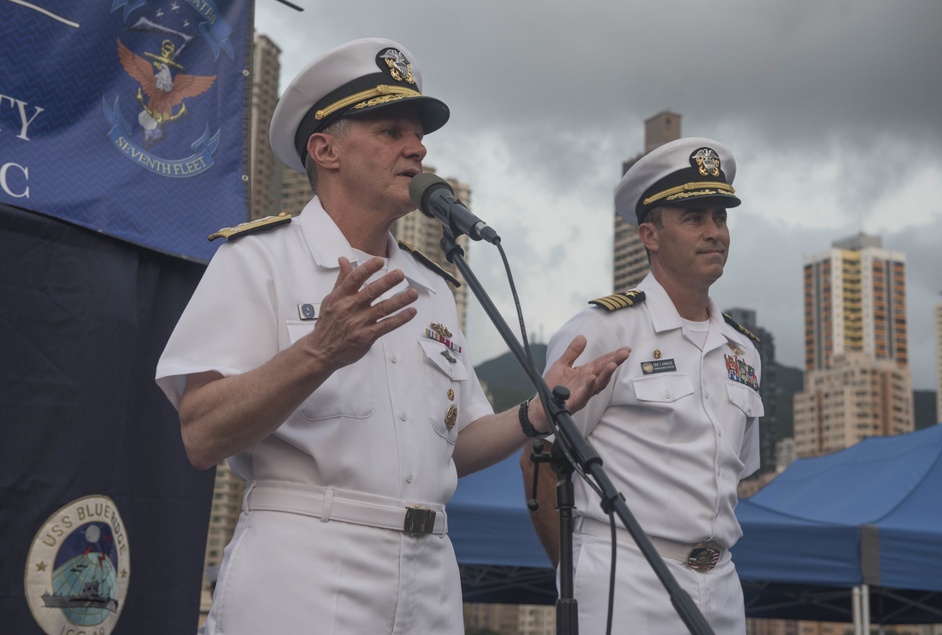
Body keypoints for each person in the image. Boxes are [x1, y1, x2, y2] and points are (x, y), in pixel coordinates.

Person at [156, 38, 628, 635]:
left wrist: (538, 412)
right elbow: (200, 434)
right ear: (324, 149)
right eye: (391, 131)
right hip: (305, 564)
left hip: (430, 572)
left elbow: (454, 445)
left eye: (419, 134)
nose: (419, 148)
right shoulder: (260, 259)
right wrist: (319, 351)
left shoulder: (432, 286)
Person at [520, 137, 763, 634]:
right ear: (649, 235)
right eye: (695, 218)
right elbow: (541, 460)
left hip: (721, 581)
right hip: (625, 575)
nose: (714, 232)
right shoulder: (604, 331)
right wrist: (575, 571)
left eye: (720, 218)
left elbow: (736, 472)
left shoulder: (744, 350)